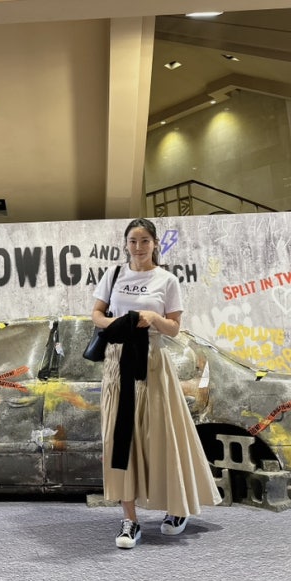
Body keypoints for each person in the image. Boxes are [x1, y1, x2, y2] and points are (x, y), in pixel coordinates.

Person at [91, 218, 221, 549]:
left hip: (152, 363)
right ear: (126, 244)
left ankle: (177, 507)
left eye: (145, 240)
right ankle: (129, 520)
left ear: (154, 244)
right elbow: (96, 315)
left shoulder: (167, 280)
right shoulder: (113, 275)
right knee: (119, 440)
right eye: (133, 241)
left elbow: (174, 327)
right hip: (118, 363)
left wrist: (153, 319)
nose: (138, 247)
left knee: (163, 436)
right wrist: (119, 323)